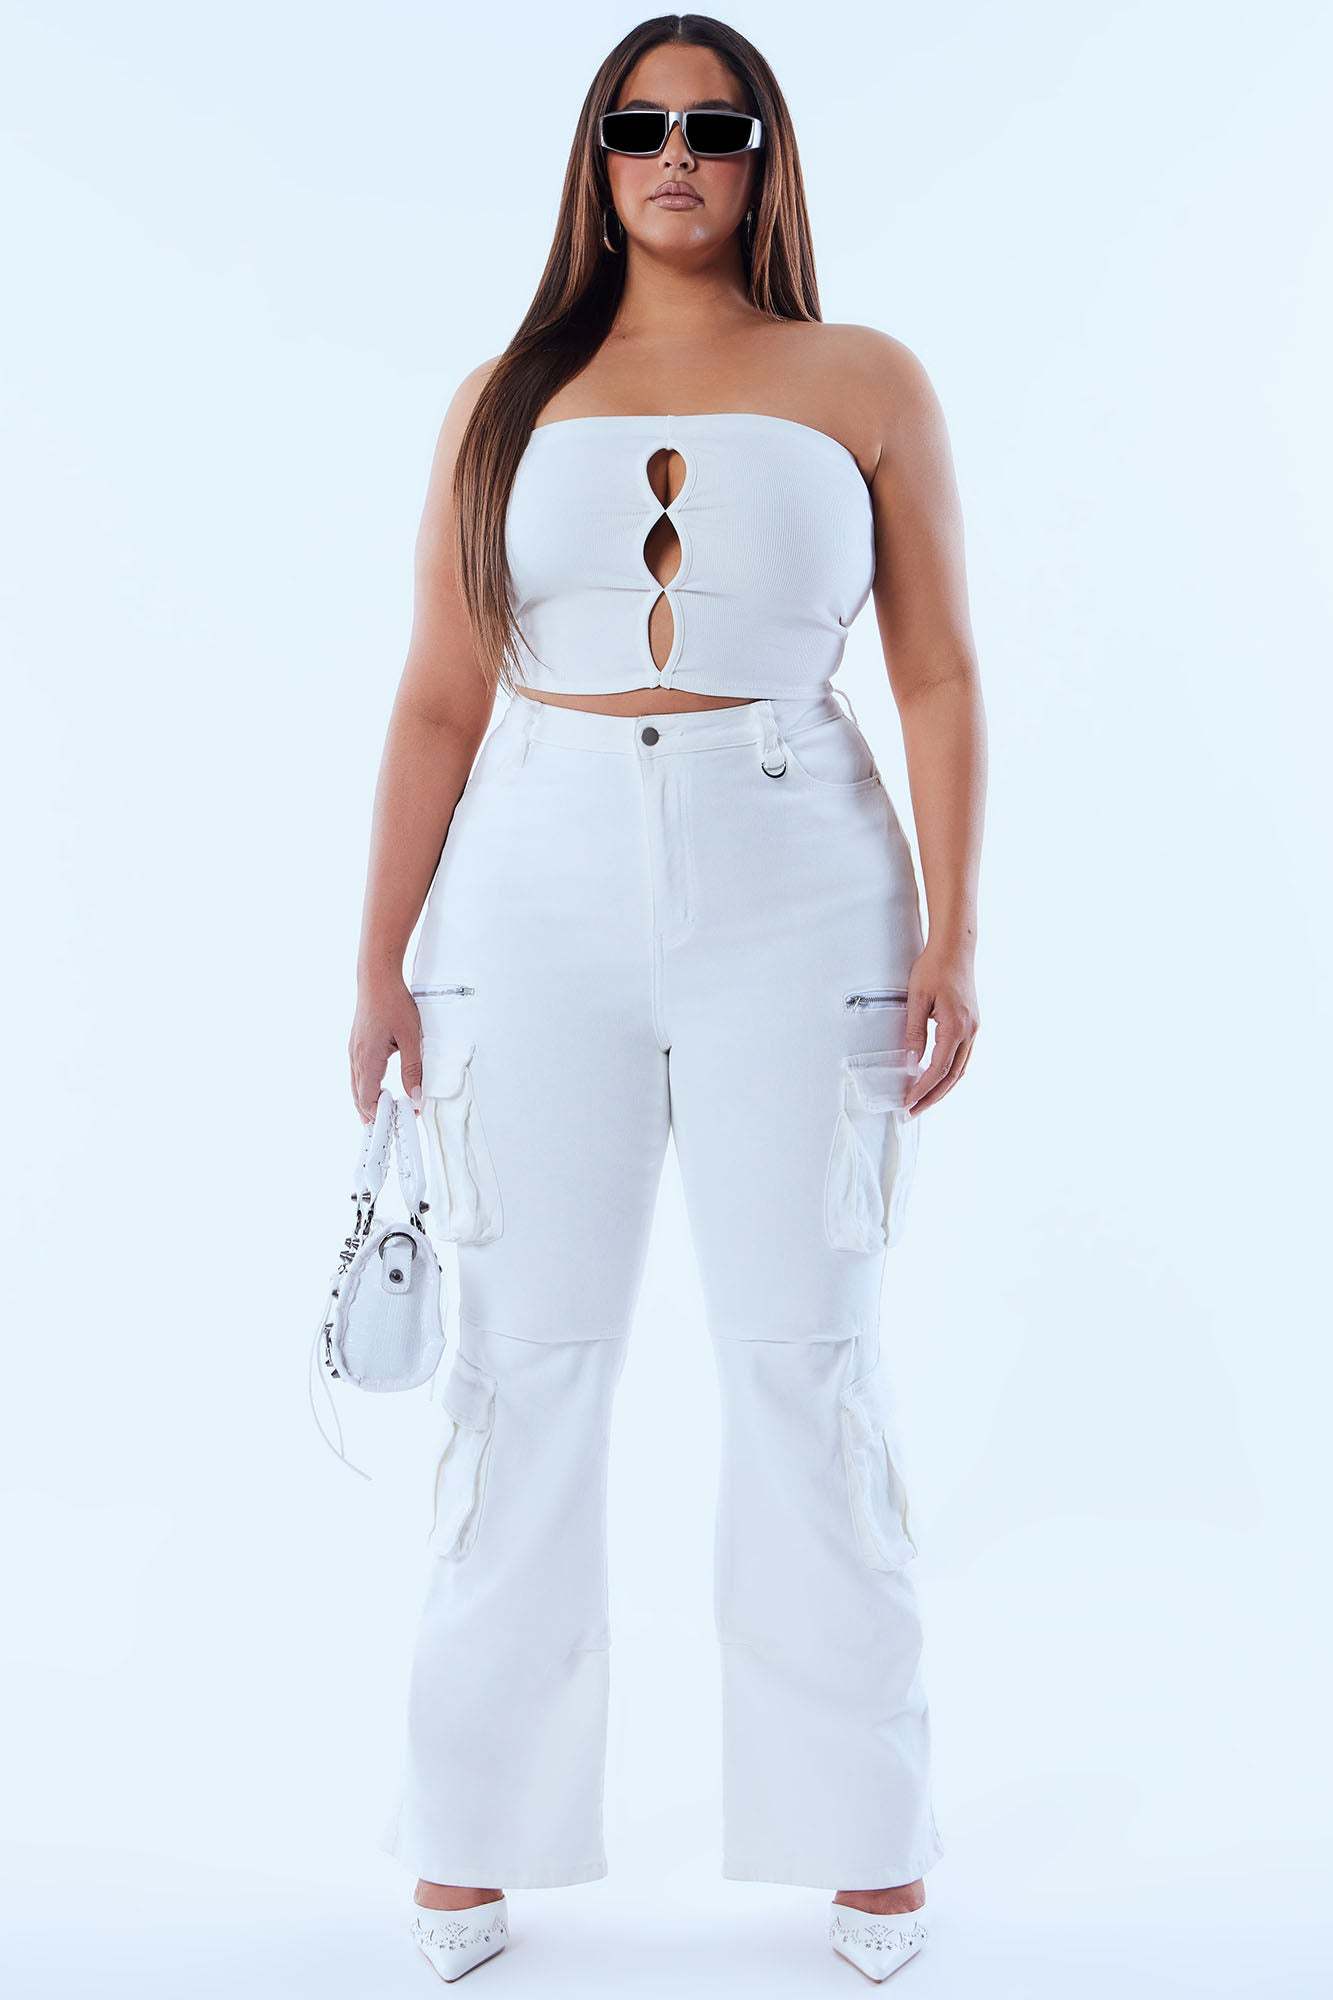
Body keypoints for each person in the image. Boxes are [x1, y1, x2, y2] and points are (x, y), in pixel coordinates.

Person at [349, 14, 985, 1984]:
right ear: (598, 159)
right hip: (529, 876)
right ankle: (473, 1836)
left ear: (765, 154)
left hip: (800, 865)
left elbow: (937, 670)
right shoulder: (503, 398)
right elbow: (439, 695)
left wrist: (957, 930)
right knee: (528, 1361)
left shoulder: (861, 379)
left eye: (716, 124)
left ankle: (863, 1840)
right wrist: (376, 960)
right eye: (641, 126)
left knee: (806, 1354)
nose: (678, 154)